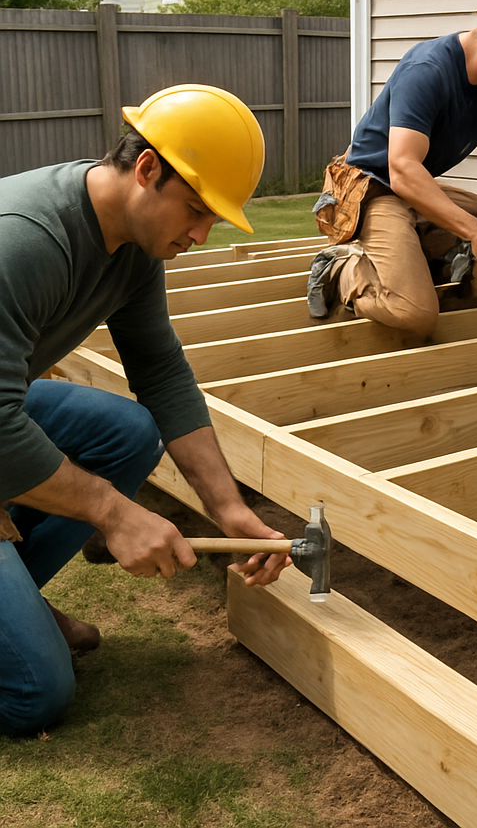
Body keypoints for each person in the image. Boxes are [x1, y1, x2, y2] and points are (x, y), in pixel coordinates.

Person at [0, 84, 290, 737]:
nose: (199, 233)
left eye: (212, 217)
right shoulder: (24, 239)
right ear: (147, 169)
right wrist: (111, 513)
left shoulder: (131, 248)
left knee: (128, 431)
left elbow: (158, 370)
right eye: (195, 210)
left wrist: (228, 508)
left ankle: (13, 610)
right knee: (36, 695)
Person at [308, 0, 477, 335]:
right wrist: (476, 234)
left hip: (405, 189)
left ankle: (421, 262)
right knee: (415, 313)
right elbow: (401, 169)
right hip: (368, 187)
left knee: (474, 207)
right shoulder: (428, 70)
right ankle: (339, 270)